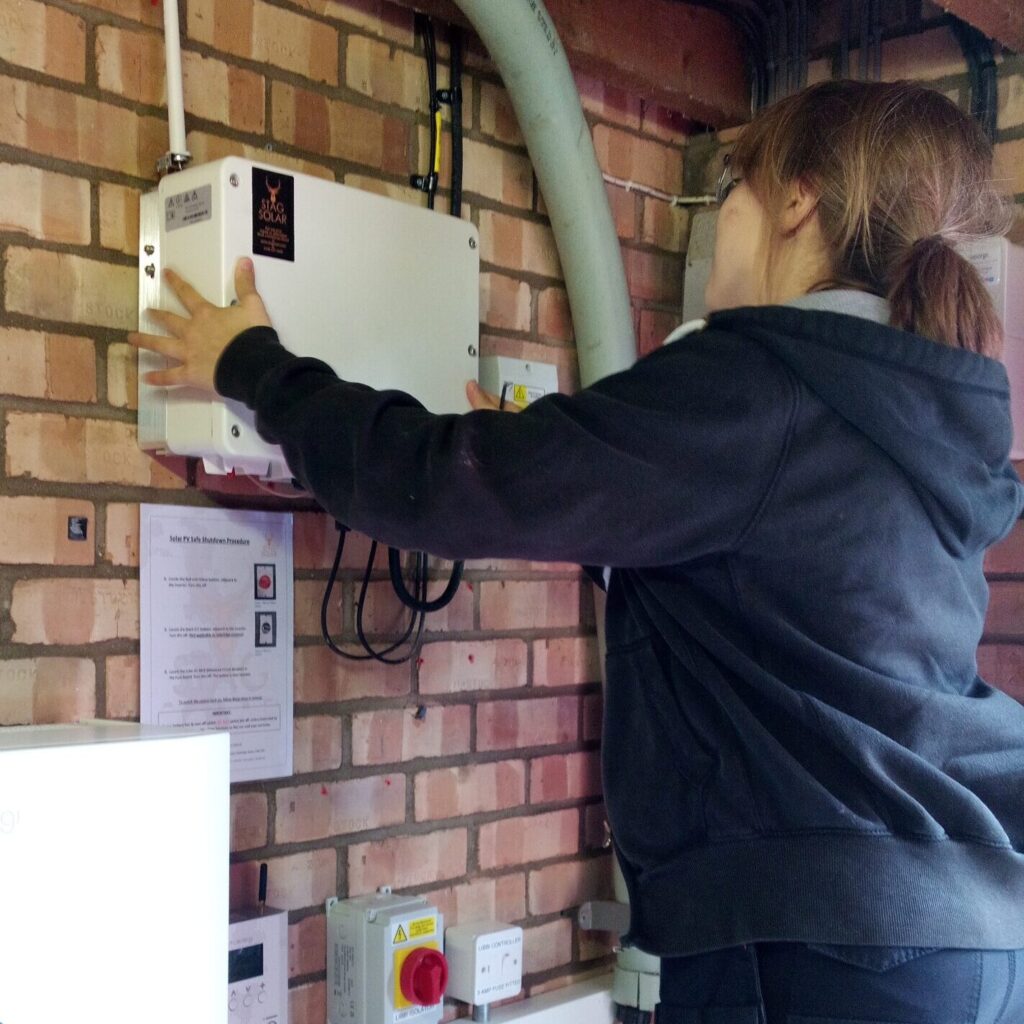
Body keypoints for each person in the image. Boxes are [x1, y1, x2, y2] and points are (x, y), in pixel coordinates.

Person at [129, 80, 1024, 1022]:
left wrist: (253, 365)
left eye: (733, 195)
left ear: (797, 200)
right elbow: (783, 604)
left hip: (820, 944)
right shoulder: (905, 410)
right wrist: (566, 487)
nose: (724, 226)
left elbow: (448, 485)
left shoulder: (764, 380)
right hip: (959, 938)